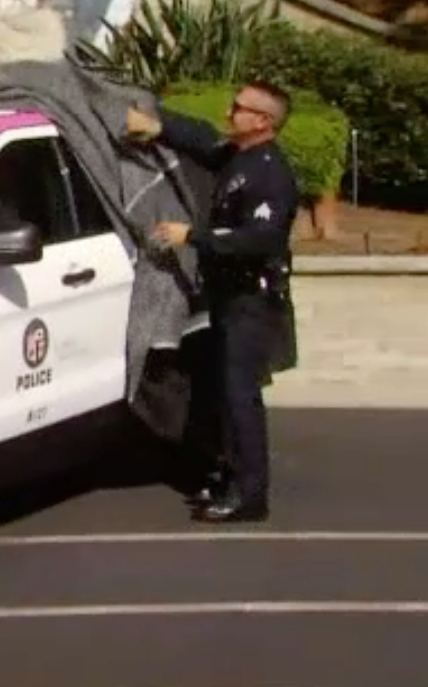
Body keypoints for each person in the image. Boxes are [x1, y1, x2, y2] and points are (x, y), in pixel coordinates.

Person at [126, 80, 299, 523]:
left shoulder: (270, 174)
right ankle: (231, 477)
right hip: (227, 295)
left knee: (241, 397)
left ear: (262, 121)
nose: (229, 112)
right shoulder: (239, 156)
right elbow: (203, 140)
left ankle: (250, 495)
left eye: (239, 108)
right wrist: (159, 126)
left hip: (250, 300)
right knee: (223, 393)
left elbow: (260, 240)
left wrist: (192, 236)